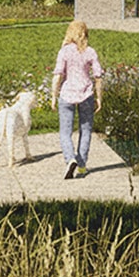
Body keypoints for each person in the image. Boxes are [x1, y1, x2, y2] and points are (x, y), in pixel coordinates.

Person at [49, 20, 104, 179]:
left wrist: (53, 96)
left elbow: (58, 75)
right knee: (85, 130)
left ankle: (70, 158)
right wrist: (99, 97)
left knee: (65, 132)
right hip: (86, 94)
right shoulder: (90, 52)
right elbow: (98, 77)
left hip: (67, 94)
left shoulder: (64, 52)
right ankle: (81, 166)